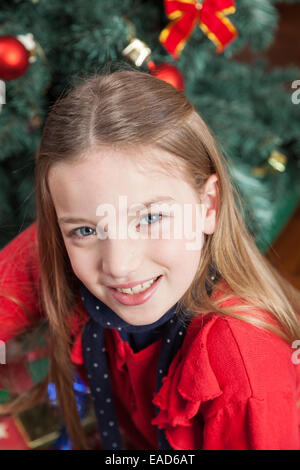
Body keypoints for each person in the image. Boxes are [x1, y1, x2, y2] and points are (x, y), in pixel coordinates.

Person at [0, 67, 300, 450]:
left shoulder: (241, 362)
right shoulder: (63, 245)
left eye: (150, 218)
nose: (119, 266)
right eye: (87, 230)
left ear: (208, 204)